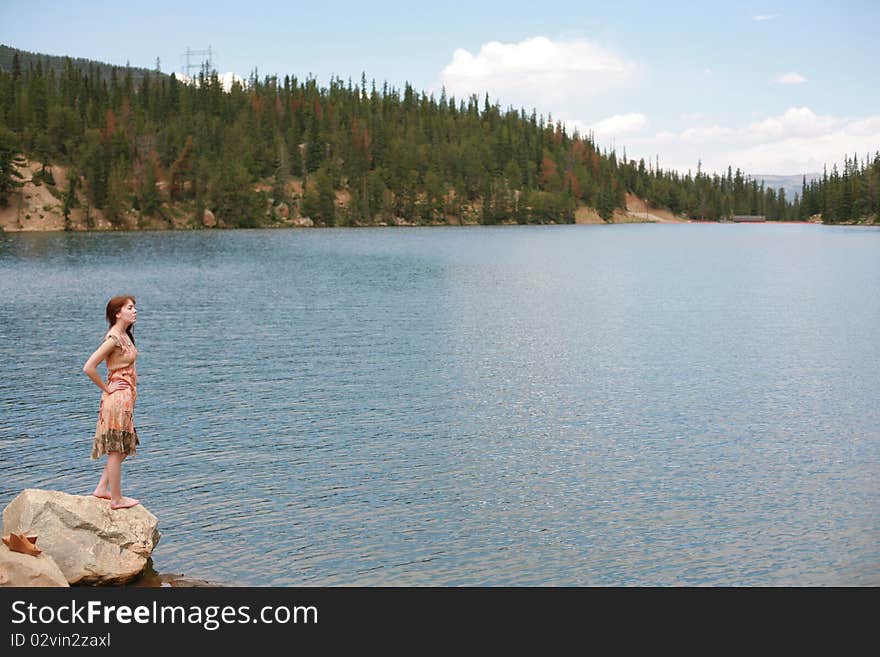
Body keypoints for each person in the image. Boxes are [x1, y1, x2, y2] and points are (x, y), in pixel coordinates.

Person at [82, 296, 141, 510]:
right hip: (116, 399)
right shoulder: (114, 338)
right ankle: (116, 499)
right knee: (117, 450)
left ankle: (101, 488)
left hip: (125, 399)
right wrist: (107, 389)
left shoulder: (125, 335)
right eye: (130, 308)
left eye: (134, 307)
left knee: (124, 448)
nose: (135, 311)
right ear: (118, 313)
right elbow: (89, 366)